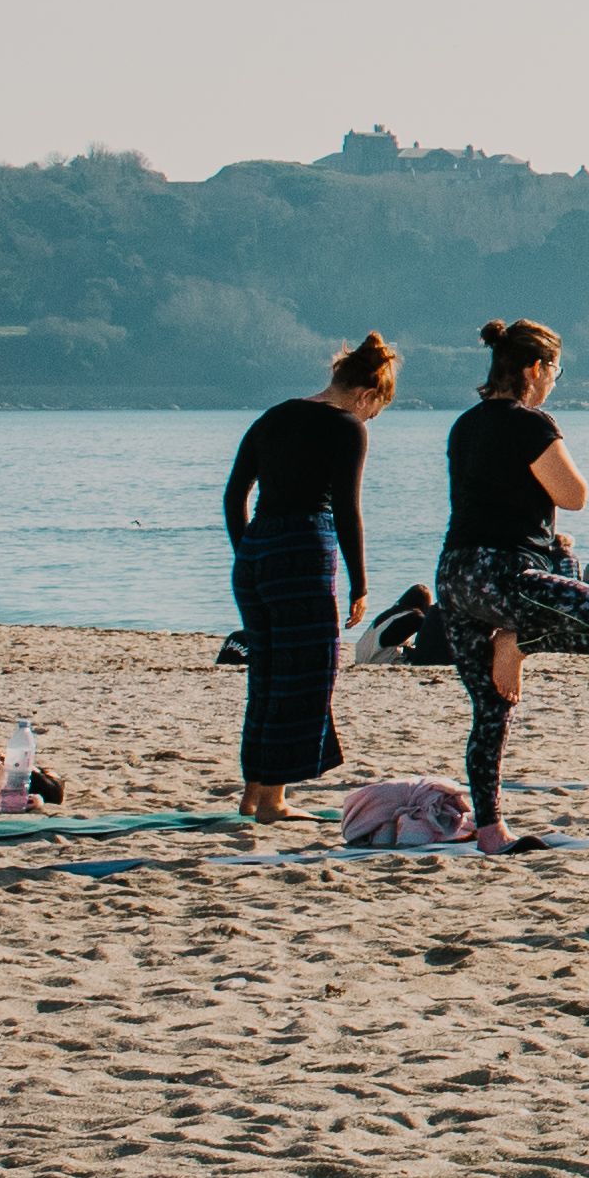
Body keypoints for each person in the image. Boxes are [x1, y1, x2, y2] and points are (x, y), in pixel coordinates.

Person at [435, 319, 589, 853]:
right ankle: (516, 641)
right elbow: (574, 495)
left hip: (455, 573)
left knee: (490, 709)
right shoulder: (532, 423)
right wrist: (518, 636)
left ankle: (491, 830)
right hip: (505, 573)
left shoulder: (464, 425)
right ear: (535, 369)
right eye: (555, 371)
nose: (555, 381)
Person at [221, 332, 397, 822]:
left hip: (257, 551)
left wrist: (247, 551)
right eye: (373, 411)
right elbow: (346, 509)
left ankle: (255, 792)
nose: (369, 420)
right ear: (365, 395)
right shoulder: (346, 427)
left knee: (268, 672)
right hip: (304, 550)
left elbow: (236, 493)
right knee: (305, 674)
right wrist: (361, 583)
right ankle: (274, 801)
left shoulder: (275, 415)